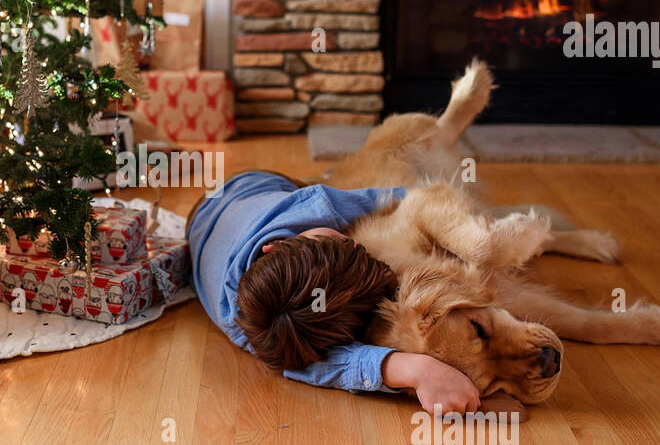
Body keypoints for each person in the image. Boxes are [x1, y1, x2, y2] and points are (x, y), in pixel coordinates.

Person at [188, 171, 482, 415]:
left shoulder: (318, 206)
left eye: (345, 243)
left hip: (253, 182)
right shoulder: (247, 324)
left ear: (274, 246)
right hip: (201, 222)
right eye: (348, 242)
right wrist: (415, 369)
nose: (347, 238)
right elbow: (315, 366)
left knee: (370, 213)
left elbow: (411, 200)